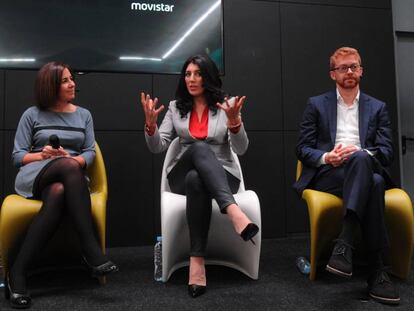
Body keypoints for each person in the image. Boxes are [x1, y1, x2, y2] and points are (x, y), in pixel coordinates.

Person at [140, 54, 259, 298]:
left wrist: (235, 124)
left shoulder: (228, 105)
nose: (192, 79)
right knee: (199, 149)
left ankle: (197, 262)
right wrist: (150, 127)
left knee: (197, 178)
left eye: (198, 74)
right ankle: (234, 212)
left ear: (209, 77)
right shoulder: (175, 107)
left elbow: (241, 149)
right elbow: (158, 146)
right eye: (188, 74)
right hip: (180, 176)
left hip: (223, 175)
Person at [6, 62, 118, 309]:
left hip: (70, 179)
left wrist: (73, 159)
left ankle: (17, 273)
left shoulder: (83, 115)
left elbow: (89, 152)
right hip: (36, 174)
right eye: (66, 80)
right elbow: (17, 156)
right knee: (67, 166)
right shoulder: (32, 114)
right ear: (51, 86)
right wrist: (43, 155)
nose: (72, 84)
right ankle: (90, 249)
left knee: (59, 190)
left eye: (71, 79)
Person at [293, 47, 399, 305]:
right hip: (331, 174)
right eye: (343, 68)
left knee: (367, 168)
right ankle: (377, 271)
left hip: (365, 168)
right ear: (333, 74)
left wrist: (361, 153)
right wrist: (327, 157)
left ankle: (346, 244)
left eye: (354, 66)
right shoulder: (316, 104)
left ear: (361, 70)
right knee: (372, 183)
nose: (349, 71)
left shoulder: (378, 107)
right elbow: (302, 148)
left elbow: (386, 152)